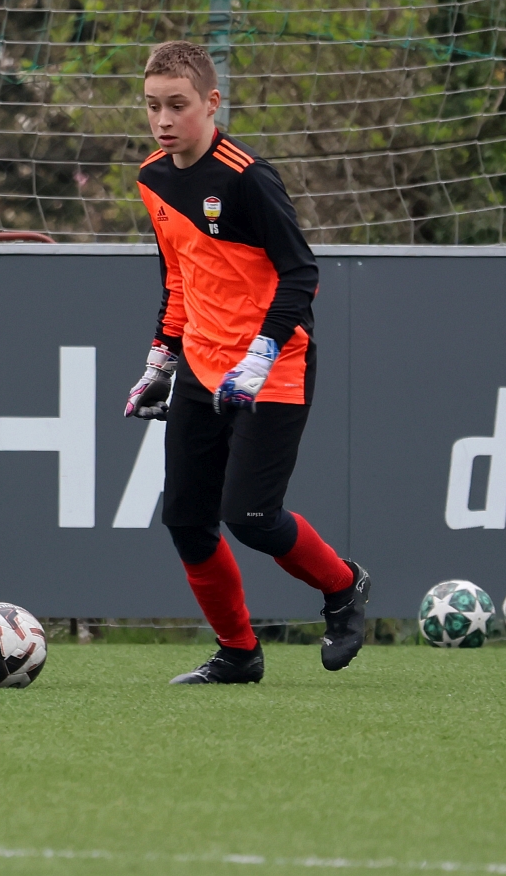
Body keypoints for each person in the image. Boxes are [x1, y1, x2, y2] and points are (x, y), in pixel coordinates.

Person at [124, 40, 371, 685]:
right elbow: (178, 278)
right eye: (152, 106)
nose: (163, 120)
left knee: (252, 517)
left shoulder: (248, 177)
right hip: (201, 367)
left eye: (177, 105)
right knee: (186, 520)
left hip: (273, 367)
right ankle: (238, 653)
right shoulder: (152, 177)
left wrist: (259, 357)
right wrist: (160, 361)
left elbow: (301, 274)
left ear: (212, 103)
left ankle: (343, 587)